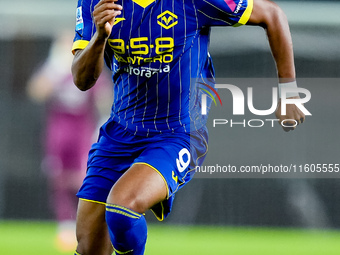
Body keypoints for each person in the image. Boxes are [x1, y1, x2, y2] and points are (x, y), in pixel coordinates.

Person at [71, 0, 305, 254]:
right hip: (119, 134)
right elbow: (82, 80)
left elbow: (272, 14)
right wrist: (99, 37)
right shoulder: (95, 3)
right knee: (89, 249)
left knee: (121, 208)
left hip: (177, 134)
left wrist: (289, 92)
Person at [27, 31, 111, 252]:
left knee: (82, 178)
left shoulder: (86, 64)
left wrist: (103, 122)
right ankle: (64, 224)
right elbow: (36, 91)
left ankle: (85, 221)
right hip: (58, 130)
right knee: (58, 177)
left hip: (82, 129)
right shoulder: (54, 68)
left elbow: (102, 96)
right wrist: (54, 72)